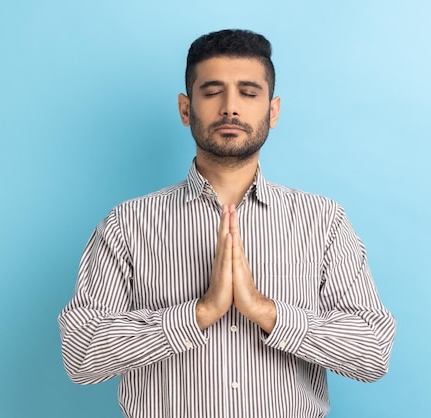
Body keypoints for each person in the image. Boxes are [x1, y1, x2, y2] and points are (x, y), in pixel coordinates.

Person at [58, 29, 395, 418]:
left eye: (249, 93)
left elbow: (373, 352)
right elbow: (81, 354)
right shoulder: (127, 225)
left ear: (273, 110)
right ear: (186, 109)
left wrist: (266, 312)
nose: (230, 108)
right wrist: (198, 314)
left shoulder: (323, 221)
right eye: (213, 91)